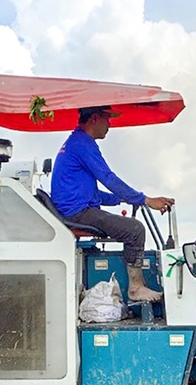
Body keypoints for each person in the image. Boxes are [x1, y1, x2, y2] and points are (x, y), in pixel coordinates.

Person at [51, 105, 175, 302]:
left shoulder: (76, 142)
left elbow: (95, 193)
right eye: (107, 118)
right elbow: (108, 178)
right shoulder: (83, 144)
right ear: (94, 119)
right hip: (77, 213)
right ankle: (136, 288)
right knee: (134, 230)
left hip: (77, 209)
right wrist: (144, 199)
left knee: (130, 227)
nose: (110, 124)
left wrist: (127, 198)